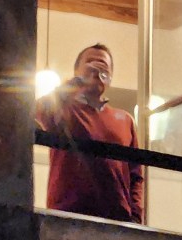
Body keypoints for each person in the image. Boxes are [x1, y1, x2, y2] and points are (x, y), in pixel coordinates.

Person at [35, 43, 144, 224]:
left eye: (103, 66)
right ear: (77, 70)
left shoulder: (125, 120)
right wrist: (77, 82)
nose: (96, 68)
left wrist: (135, 217)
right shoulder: (62, 109)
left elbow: (135, 175)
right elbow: (37, 108)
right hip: (67, 215)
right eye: (91, 62)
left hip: (117, 219)